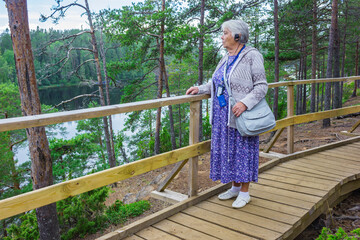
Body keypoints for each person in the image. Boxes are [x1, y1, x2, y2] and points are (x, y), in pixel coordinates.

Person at [186, 19, 268, 208]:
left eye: (225, 33)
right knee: (229, 152)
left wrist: (244, 103)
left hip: (241, 114)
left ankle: (245, 192)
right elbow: (218, 83)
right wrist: (200, 88)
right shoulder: (226, 57)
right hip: (223, 116)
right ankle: (235, 187)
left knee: (243, 151)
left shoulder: (252, 56)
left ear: (237, 36)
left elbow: (262, 86)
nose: (221, 37)